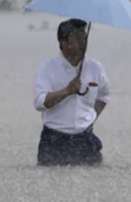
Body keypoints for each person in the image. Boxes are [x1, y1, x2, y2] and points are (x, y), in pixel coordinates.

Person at [33, 18, 111, 166]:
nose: (83, 43)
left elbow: (104, 96)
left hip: (85, 139)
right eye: (78, 38)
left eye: (85, 37)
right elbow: (39, 102)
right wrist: (66, 91)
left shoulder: (95, 68)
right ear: (64, 43)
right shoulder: (48, 68)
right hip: (54, 141)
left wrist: (90, 118)